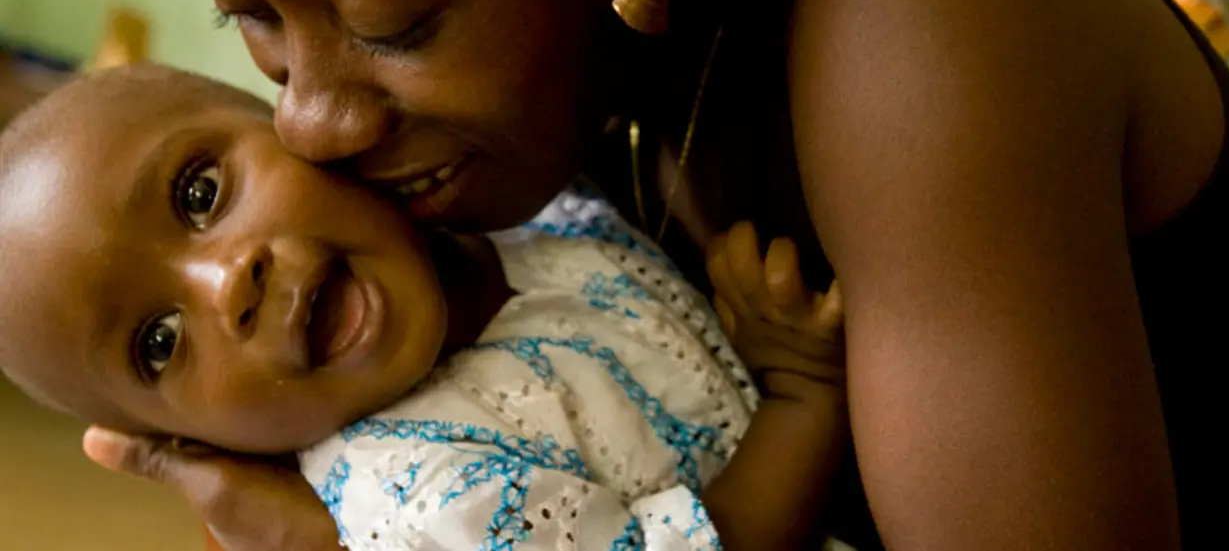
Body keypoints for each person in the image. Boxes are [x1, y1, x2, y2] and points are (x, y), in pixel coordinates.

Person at [84, 0, 1229, 549]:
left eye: (390, 20)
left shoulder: (921, 15)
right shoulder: (569, 112)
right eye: (244, 22)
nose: (310, 122)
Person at [1, 64, 854, 550]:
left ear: (294, 120)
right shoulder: (426, 499)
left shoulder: (497, 205)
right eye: (157, 341)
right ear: (195, 444)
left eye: (200, 190)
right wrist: (798, 390)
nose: (230, 283)